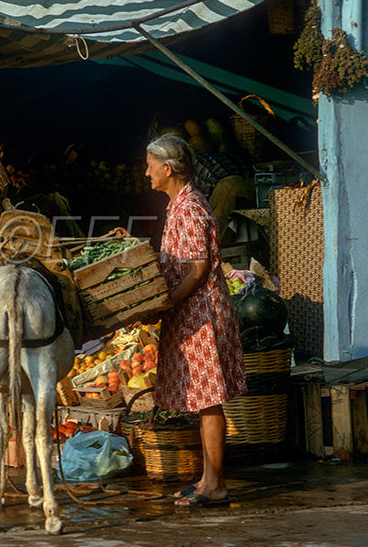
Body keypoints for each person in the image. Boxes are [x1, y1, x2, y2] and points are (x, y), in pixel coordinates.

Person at [144, 134, 247, 507]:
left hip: (200, 314)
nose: (146, 173)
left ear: (168, 169)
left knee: (209, 402)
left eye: (151, 166)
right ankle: (206, 479)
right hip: (191, 314)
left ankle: (216, 485)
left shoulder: (190, 208)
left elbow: (198, 268)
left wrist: (168, 303)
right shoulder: (178, 206)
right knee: (204, 401)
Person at [193, 147, 256, 243]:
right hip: (227, 181)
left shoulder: (186, 167)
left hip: (237, 180)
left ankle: (209, 250)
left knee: (216, 218)